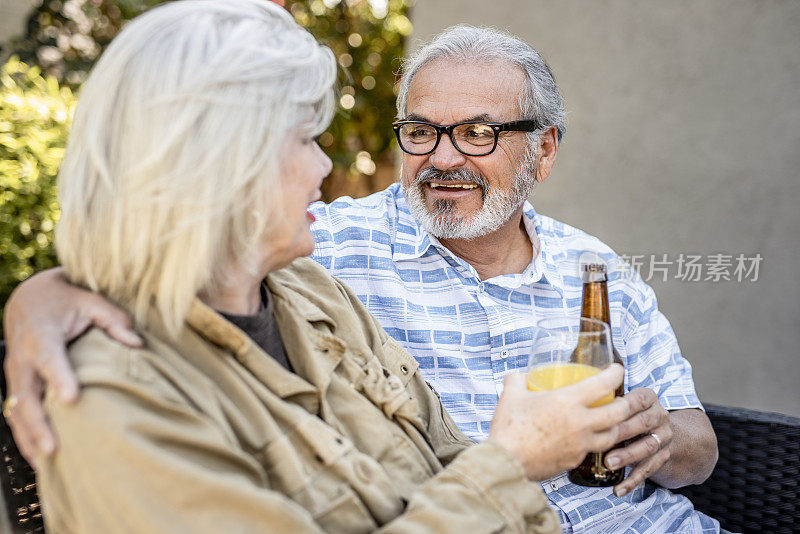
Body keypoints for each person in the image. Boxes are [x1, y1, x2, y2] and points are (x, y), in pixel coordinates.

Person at [1, 20, 720, 534]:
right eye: (420, 131)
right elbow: (161, 249)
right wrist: (44, 293)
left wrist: (656, 438)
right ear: (223, 166)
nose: (442, 158)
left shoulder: (309, 288)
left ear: (544, 150)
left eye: (477, 133)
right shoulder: (327, 250)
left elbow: (698, 447)